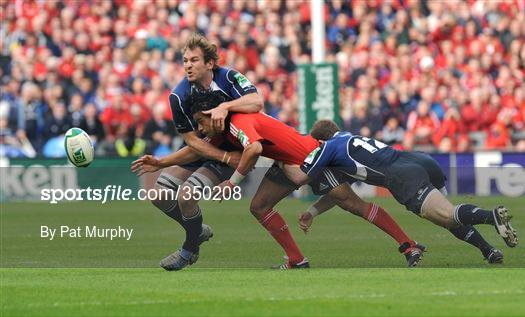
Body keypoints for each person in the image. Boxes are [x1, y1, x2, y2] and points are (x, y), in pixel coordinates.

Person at [137, 90, 427, 268]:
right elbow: (196, 150)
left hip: (310, 157)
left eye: (200, 121)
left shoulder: (238, 122)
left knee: (352, 204)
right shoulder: (223, 129)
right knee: (259, 206)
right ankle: (296, 260)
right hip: (289, 162)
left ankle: (408, 244)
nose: (200, 128)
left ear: (214, 113)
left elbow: (255, 148)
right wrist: (161, 162)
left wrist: (232, 182)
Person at [132, 33, 307, 271]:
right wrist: (163, 162)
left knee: (186, 196)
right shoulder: (179, 96)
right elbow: (193, 142)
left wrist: (224, 107)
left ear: (210, 63)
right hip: (208, 148)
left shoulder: (229, 77)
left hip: (233, 143)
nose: (188, 66)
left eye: (194, 60)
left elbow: (256, 102)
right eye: (185, 61)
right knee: (159, 195)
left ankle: (189, 249)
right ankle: (196, 230)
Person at [282, 120, 518, 264]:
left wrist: (282, 160)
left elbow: (301, 178)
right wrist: (313, 211)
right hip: (419, 160)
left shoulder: (328, 148)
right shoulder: (348, 140)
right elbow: (339, 194)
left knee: (447, 214)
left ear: (320, 141)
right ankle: (488, 250)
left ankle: (491, 216)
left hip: (401, 176)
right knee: (448, 218)